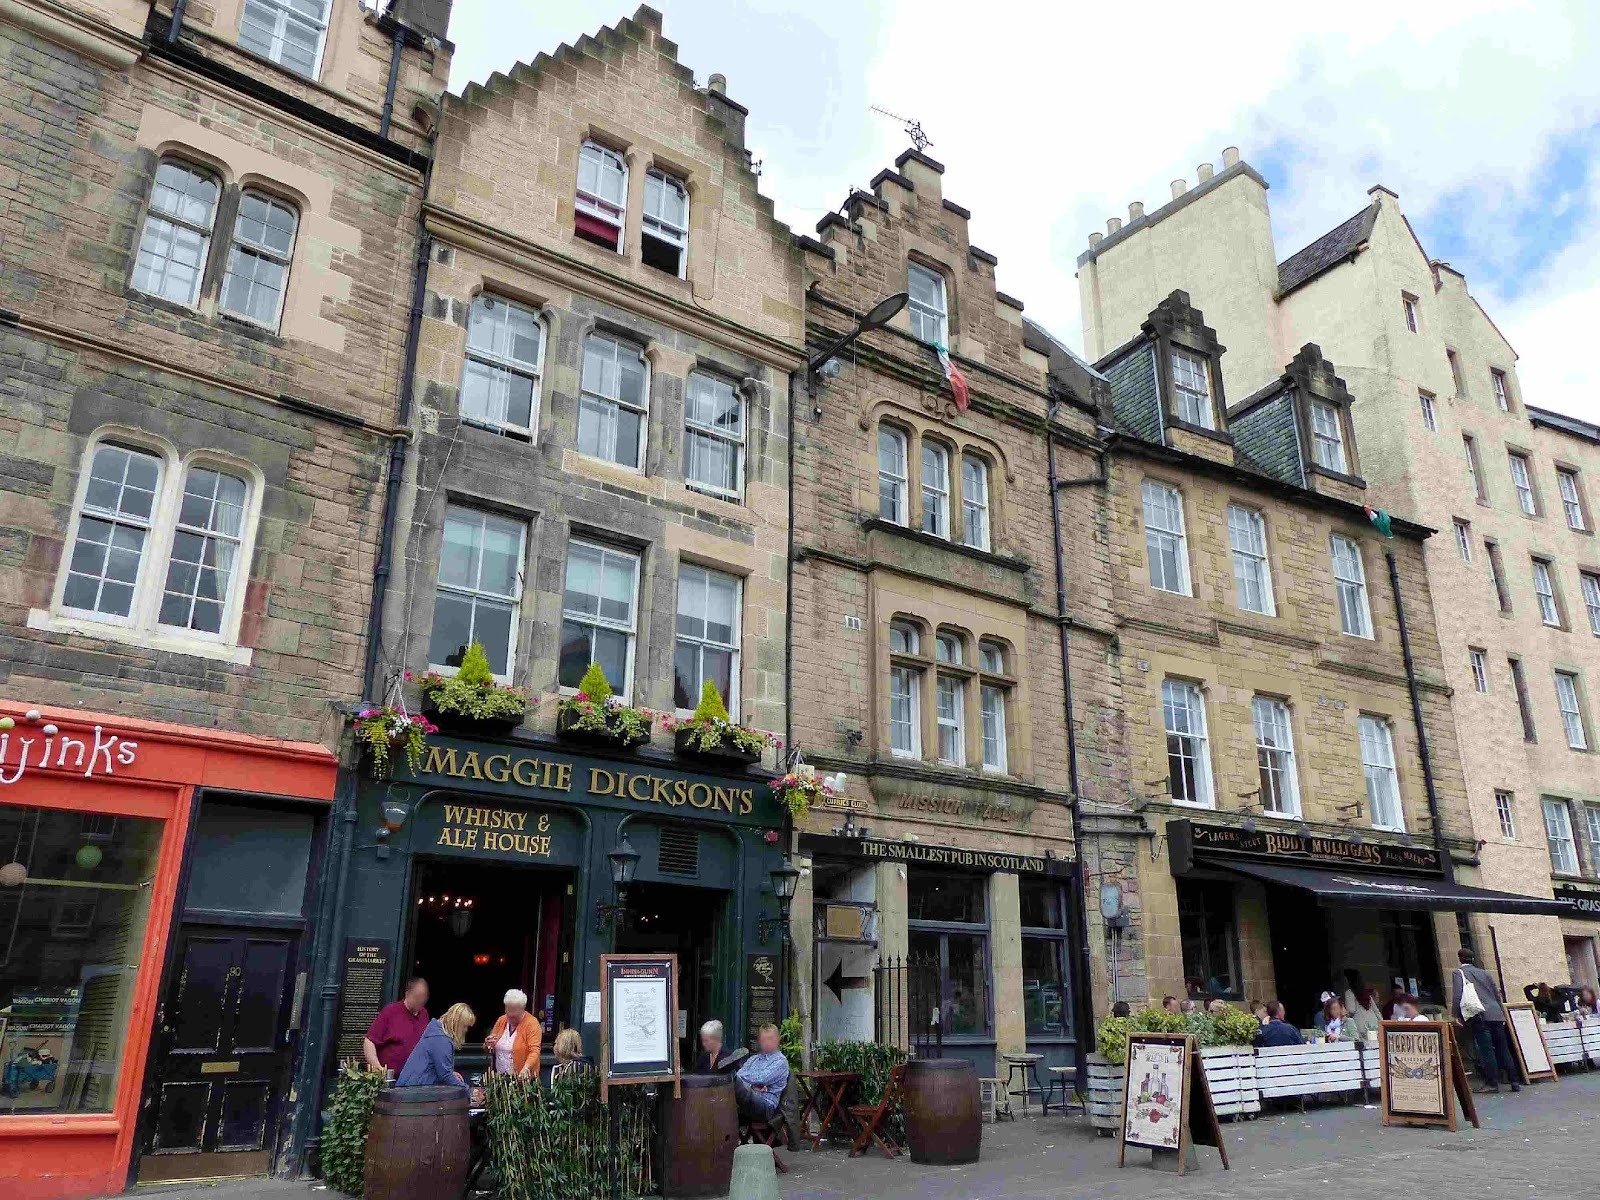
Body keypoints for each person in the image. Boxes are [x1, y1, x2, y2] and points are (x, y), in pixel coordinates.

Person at [1454, 949, 1519, 1094]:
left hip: (1480, 1014)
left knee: (1486, 1050)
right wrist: (1502, 1013)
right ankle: (1514, 1081)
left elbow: (1458, 995)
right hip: (1496, 1014)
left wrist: (1456, 1015)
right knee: (1503, 1048)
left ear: (1460, 958)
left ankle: (1492, 1083)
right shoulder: (1485, 973)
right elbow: (1496, 994)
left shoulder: (1459, 973)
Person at [397, 1001, 476, 1091]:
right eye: (465, 1026)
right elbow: (445, 1075)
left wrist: (450, 1073)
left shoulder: (435, 1033)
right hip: (413, 1092)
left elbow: (435, 1066)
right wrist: (468, 1091)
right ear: (457, 1023)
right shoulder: (441, 1040)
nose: (466, 1030)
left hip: (409, 1088)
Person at [363, 977, 430, 1075]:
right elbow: (369, 1042)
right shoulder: (391, 1012)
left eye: (424, 998)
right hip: (390, 1078)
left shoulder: (424, 1014)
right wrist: (377, 1068)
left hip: (414, 1078)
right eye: (417, 997)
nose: (420, 1001)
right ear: (407, 994)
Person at [735, 1024, 791, 1127]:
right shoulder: (754, 1059)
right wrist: (752, 1086)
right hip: (748, 1101)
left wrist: (746, 1080)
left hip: (766, 1105)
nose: (767, 1042)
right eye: (763, 1039)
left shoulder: (780, 1061)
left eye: (770, 1038)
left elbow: (762, 1078)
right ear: (759, 1041)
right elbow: (740, 1074)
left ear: (778, 1039)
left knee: (733, 1081)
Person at [483, 988, 541, 1079]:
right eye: (508, 1014)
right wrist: (487, 1044)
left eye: (514, 1016)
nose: (510, 1019)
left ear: (523, 1009)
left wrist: (526, 1068)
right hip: (499, 1077)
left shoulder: (532, 1023)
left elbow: (534, 1051)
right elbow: (489, 1047)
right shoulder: (502, 1020)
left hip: (522, 1079)